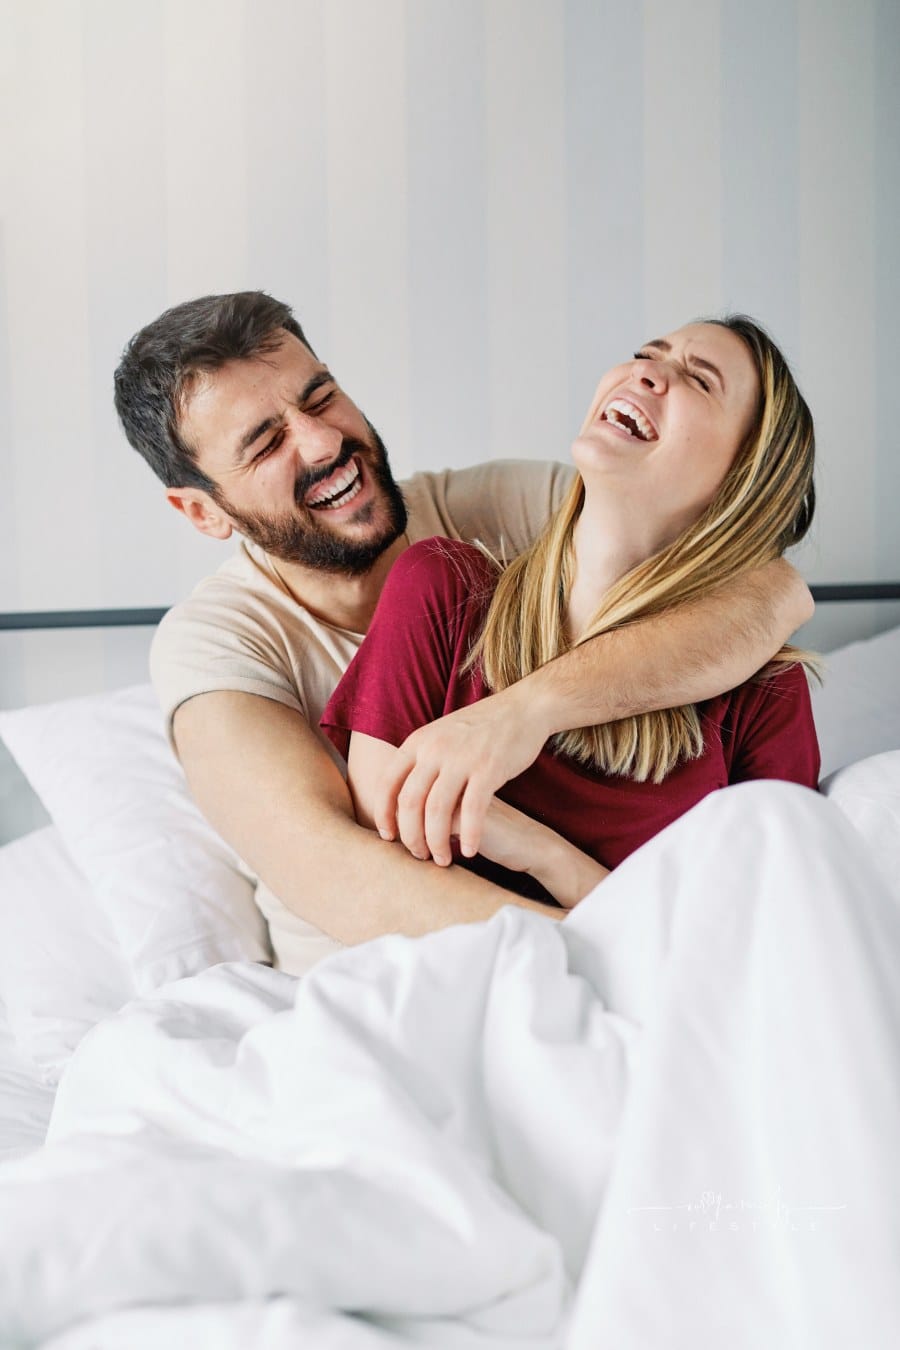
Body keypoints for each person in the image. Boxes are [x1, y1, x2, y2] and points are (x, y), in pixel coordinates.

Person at [114, 293, 813, 973]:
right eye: (267, 443)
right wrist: (631, 961)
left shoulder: (500, 514)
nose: (323, 441)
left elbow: (771, 589)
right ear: (203, 513)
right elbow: (337, 871)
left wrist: (522, 714)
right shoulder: (217, 645)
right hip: (381, 986)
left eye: (321, 396)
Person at [321, 316, 820, 906]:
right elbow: (378, 880)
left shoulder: (766, 688)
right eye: (646, 353)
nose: (648, 372)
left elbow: (753, 939)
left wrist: (539, 852)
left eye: (699, 379)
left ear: (745, 480)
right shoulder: (441, 590)